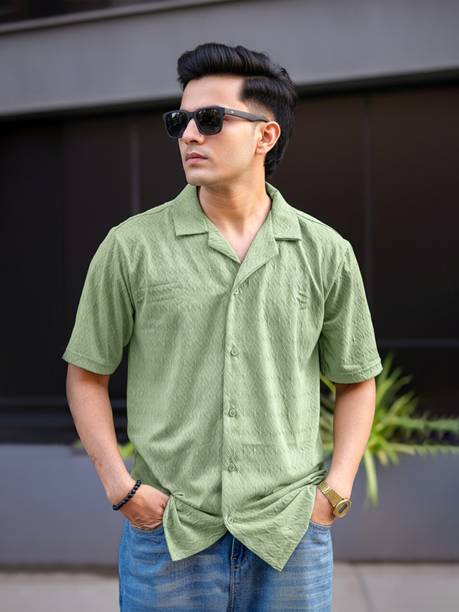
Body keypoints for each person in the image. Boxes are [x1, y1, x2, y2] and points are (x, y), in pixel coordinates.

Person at [62, 42, 383, 611]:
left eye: (210, 119)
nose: (189, 135)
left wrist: (335, 491)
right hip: (169, 534)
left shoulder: (325, 251)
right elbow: (87, 374)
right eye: (179, 121)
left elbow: (356, 378)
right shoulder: (131, 247)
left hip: (290, 533)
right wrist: (121, 488)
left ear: (266, 136)